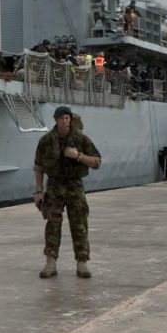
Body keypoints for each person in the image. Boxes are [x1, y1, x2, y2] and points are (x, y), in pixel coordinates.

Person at [33, 105, 101, 279]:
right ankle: (50, 262)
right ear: (55, 120)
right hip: (54, 187)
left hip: (74, 186)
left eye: (68, 118)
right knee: (52, 225)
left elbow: (96, 162)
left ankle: (82, 262)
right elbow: (38, 167)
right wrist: (38, 191)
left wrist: (79, 156)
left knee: (79, 224)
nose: (65, 121)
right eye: (62, 118)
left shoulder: (80, 139)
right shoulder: (46, 141)